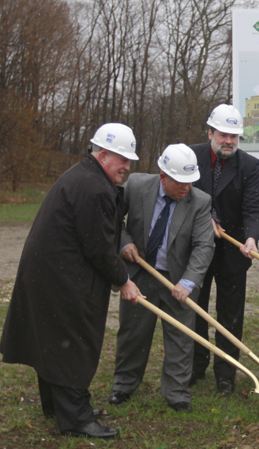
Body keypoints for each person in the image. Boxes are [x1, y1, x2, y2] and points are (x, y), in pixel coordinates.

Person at [0, 123, 142, 439]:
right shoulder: (93, 187)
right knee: (73, 342)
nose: (127, 167)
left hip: (51, 273)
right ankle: (76, 418)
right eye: (122, 160)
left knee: (53, 341)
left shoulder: (84, 175)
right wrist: (124, 281)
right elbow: (99, 247)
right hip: (61, 277)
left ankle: (60, 406)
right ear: (103, 154)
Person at [109, 144, 214, 412]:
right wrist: (124, 243)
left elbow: (205, 245)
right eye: (180, 182)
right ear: (162, 176)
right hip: (140, 273)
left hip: (178, 279)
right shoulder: (135, 186)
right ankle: (124, 384)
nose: (186, 188)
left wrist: (188, 282)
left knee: (181, 338)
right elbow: (112, 219)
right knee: (133, 332)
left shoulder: (200, 201)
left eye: (191, 182)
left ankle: (177, 392)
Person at [189, 104, 259, 394]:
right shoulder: (191, 156)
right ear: (210, 132)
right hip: (196, 250)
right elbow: (181, 196)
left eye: (234, 136)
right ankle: (195, 365)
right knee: (195, 310)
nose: (229, 141)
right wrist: (202, 217)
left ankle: (225, 372)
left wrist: (252, 238)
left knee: (230, 314)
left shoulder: (247, 165)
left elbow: (254, 209)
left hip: (233, 253)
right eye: (223, 134)